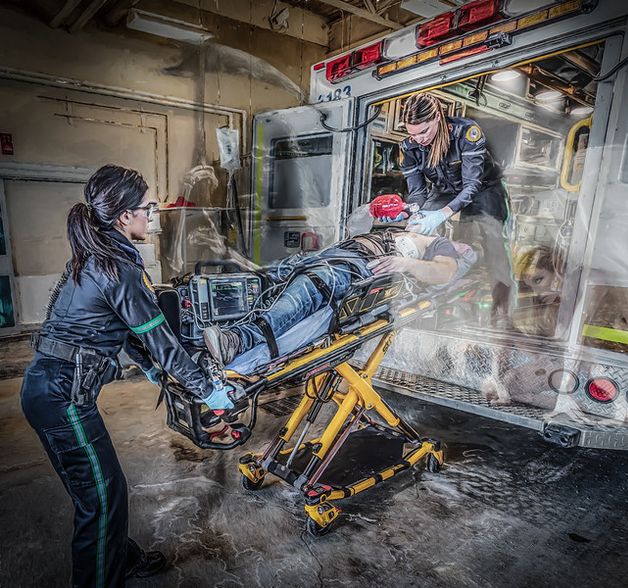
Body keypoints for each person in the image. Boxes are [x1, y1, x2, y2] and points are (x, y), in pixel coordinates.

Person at [20, 165, 233, 587]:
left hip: (45, 391)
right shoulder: (118, 268)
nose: (151, 214)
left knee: (99, 493)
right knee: (101, 500)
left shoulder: (96, 257)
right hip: (63, 400)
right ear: (123, 217)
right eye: (147, 207)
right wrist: (210, 392)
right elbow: (162, 342)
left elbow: (126, 333)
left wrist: (154, 372)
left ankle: (121, 560)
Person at [203, 222, 476, 366]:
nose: (461, 246)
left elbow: (445, 273)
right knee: (265, 280)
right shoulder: (414, 229)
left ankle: (237, 341)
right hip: (335, 254)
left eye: (465, 248)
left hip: (352, 267)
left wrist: (404, 264)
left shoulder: (441, 247)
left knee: (305, 290)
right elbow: (356, 223)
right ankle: (202, 328)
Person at [395, 92, 514, 324]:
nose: (418, 139)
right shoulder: (409, 147)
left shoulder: (467, 133)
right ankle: (422, 286)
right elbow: (418, 191)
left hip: (483, 188)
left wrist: (442, 214)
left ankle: (502, 306)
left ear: (437, 118)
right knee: (417, 233)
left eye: (424, 131)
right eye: (412, 133)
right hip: (445, 189)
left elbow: (471, 185)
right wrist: (415, 212)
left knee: (492, 239)